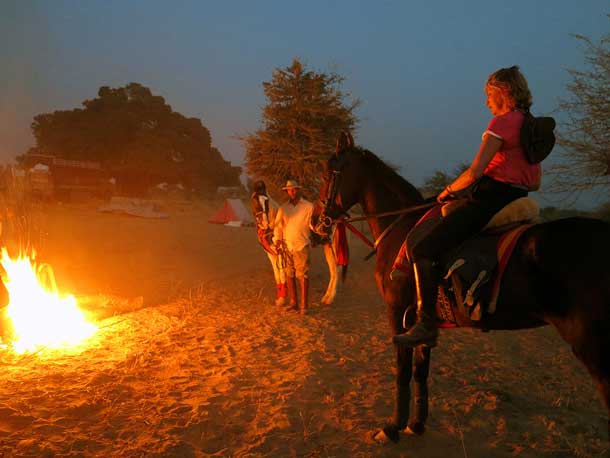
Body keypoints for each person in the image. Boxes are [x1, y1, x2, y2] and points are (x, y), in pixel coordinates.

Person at [393, 65, 541, 347]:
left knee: (421, 249)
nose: (487, 101)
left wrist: (447, 191)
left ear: (504, 92)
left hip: (490, 199)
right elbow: (535, 182)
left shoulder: (501, 123)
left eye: (489, 94)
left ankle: (425, 323)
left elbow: (475, 172)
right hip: (519, 199)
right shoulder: (531, 125)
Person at [273, 179, 314, 314]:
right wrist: (278, 240)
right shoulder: (283, 208)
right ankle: (293, 303)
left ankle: (304, 306)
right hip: (287, 245)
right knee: (289, 274)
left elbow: (312, 224)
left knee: (302, 275)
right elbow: (279, 226)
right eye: (289, 190)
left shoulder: (308, 207)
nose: (292, 192)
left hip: (301, 244)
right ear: (287, 191)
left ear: (298, 190)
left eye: (294, 189)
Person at [250, 180, 287, 307]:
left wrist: (272, 225)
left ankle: (283, 295)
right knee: (275, 265)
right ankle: (280, 293)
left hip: (276, 231)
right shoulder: (255, 199)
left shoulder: (272, 205)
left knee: (281, 265)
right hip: (266, 232)